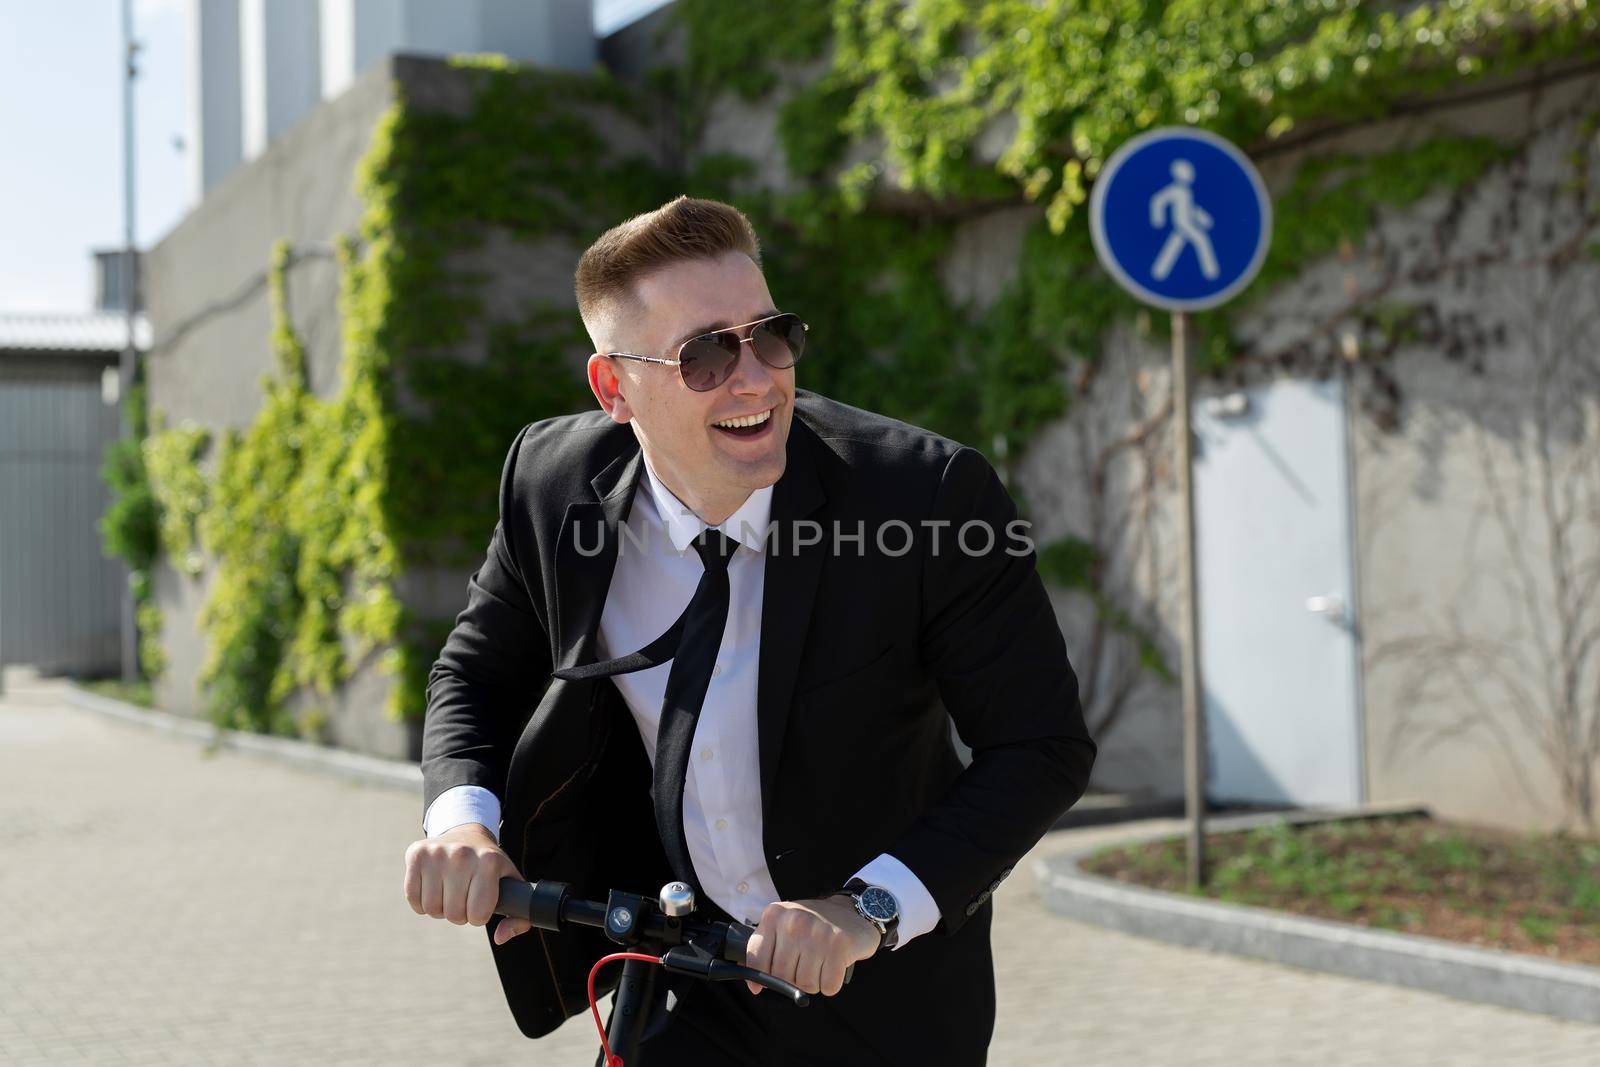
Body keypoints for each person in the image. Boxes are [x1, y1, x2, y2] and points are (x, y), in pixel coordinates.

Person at [402, 195, 1097, 1064]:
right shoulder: (553, 485)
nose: (757, 377)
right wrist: (463, 820)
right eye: (704, 354)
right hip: (681, 977)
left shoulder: (927, 499)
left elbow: (1040, 747)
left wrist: (864, 910)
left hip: (883, 988)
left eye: (769, 334)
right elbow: (474, 674)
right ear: (616, 388)